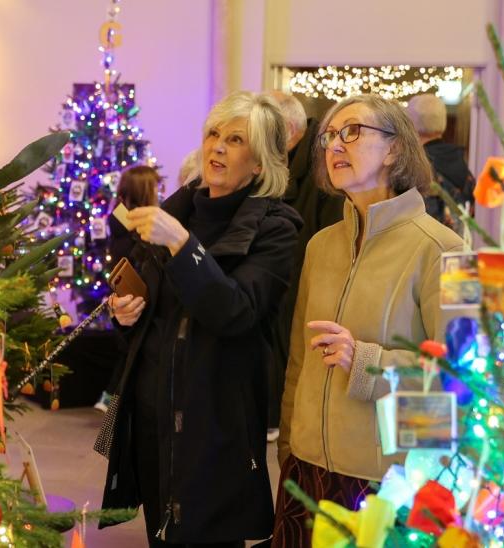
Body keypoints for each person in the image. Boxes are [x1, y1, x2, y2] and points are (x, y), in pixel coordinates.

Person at [98, 91, 302, 546]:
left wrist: (184, 246)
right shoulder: (176, 210)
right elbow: (149, 308)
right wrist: (126, 315)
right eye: (213, 134)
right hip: (152, 417)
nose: (217, 147)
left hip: (215, 426)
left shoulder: (276, 227)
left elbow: (237, 311)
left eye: (235, 139)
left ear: (261, 162)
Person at [274, 94, 465, 547]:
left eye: (353, 132)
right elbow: (299, 363)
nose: (336, 145)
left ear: (396, 148)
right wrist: (288, 448)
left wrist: (368, 362)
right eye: (330, 136)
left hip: (384, 483)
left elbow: (463, 379)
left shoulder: (447, 251)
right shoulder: (321, 245)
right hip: (306, 471)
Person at [264, 90, 345, 444]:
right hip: (288, 284)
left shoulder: (320, 169)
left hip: (307, 291)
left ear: (288, 131)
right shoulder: (290, 163)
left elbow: (329, 243)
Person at [96, 165, 162, 413]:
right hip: (132, 289)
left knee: (128, 349)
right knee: (130, 349)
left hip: (125, 285)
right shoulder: (133, 223)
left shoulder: (120, 217)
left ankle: (109, 397)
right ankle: (110, 398)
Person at [405, 93, 476, 229]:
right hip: (462, 246)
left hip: (429, 244)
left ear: (410, 124)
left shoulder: (417, 166)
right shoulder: (462, 160)